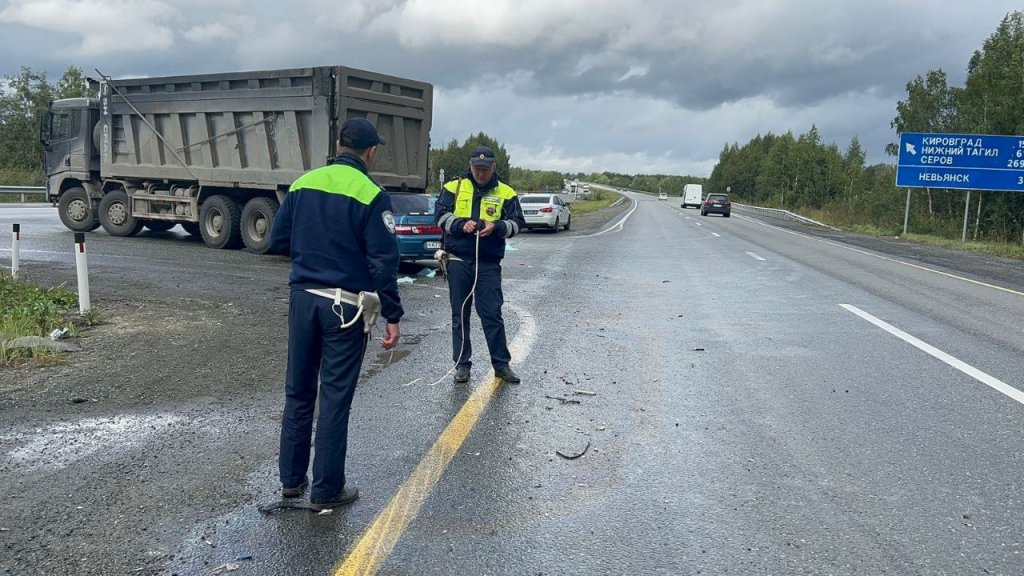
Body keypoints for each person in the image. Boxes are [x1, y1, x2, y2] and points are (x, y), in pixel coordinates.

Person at [268, 118, 403, 509]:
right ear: (371, 152)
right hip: (344, 306)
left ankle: (291, 483)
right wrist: (392, 314)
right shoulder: (371, 193)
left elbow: (278, 240)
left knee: (298, 392)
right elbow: (383, 262)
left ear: (339, 144)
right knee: (334, 397)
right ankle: (327, 491)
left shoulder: (302, 183)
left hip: (303, 299)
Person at [435, 145, 526, 384]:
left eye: (485, 169)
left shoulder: (506, 192)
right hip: (458, 261)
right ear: (470, 166)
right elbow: (440, 216)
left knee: (492, 314)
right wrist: (459, 224)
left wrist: (496, 227)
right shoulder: (453, 187)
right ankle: (462, 365)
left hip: (488, 263)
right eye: (477, 168)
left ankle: (501, 365)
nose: (481, 173)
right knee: (460, 314)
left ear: (493, 167)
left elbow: (517, 223)